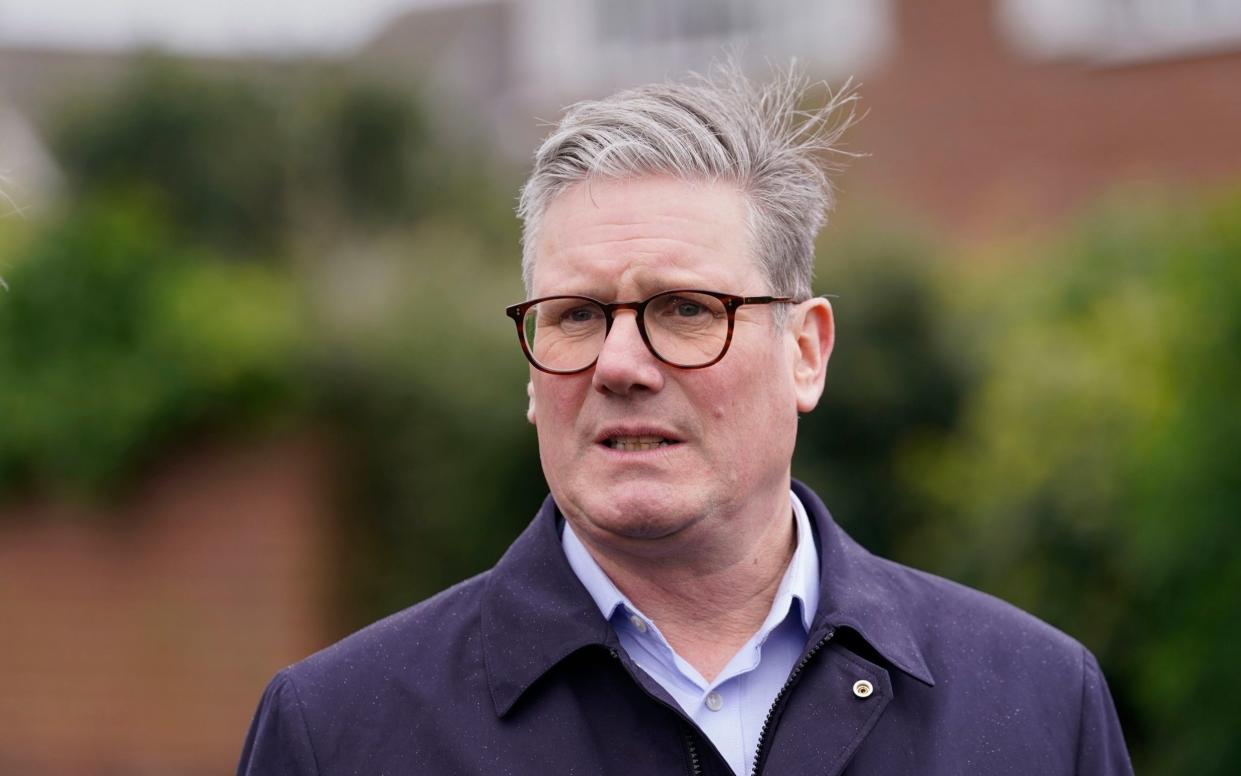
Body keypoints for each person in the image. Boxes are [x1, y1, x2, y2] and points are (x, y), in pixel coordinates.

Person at [237, 65, 1134, 775]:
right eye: (576, 316)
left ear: (805, 352)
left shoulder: (1037, 704)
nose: (620, 366)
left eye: (685, 310)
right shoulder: (338, 735)